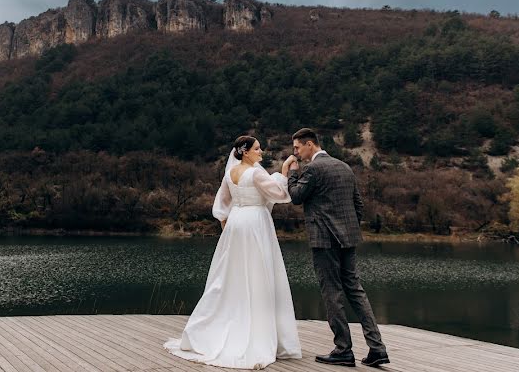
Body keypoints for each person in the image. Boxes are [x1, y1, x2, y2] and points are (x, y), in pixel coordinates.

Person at [164, 135, 302, 369]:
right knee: (258, 275)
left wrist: (227, 227)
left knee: (232, 276)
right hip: (255, 223)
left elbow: (222, 205)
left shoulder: (230, 173)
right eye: (258, 149)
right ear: (246, 151)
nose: (261, 152)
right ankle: (258, 333)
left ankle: (223, 323)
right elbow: (279, 195)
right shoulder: (256, 173)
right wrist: (285, 169)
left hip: (236, 224)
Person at [284, 128, 389, 367]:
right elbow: (358, 205)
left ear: (310, 144)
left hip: (324, 240)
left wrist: (291, 172)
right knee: (355, 290)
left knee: (332, 291)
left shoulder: (312, 169)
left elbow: (297, 196)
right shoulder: (345, 166)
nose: (296, 153)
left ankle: (343, 349)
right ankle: (377, 348)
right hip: (348, 238)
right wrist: (348, 229)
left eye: (297, 148)